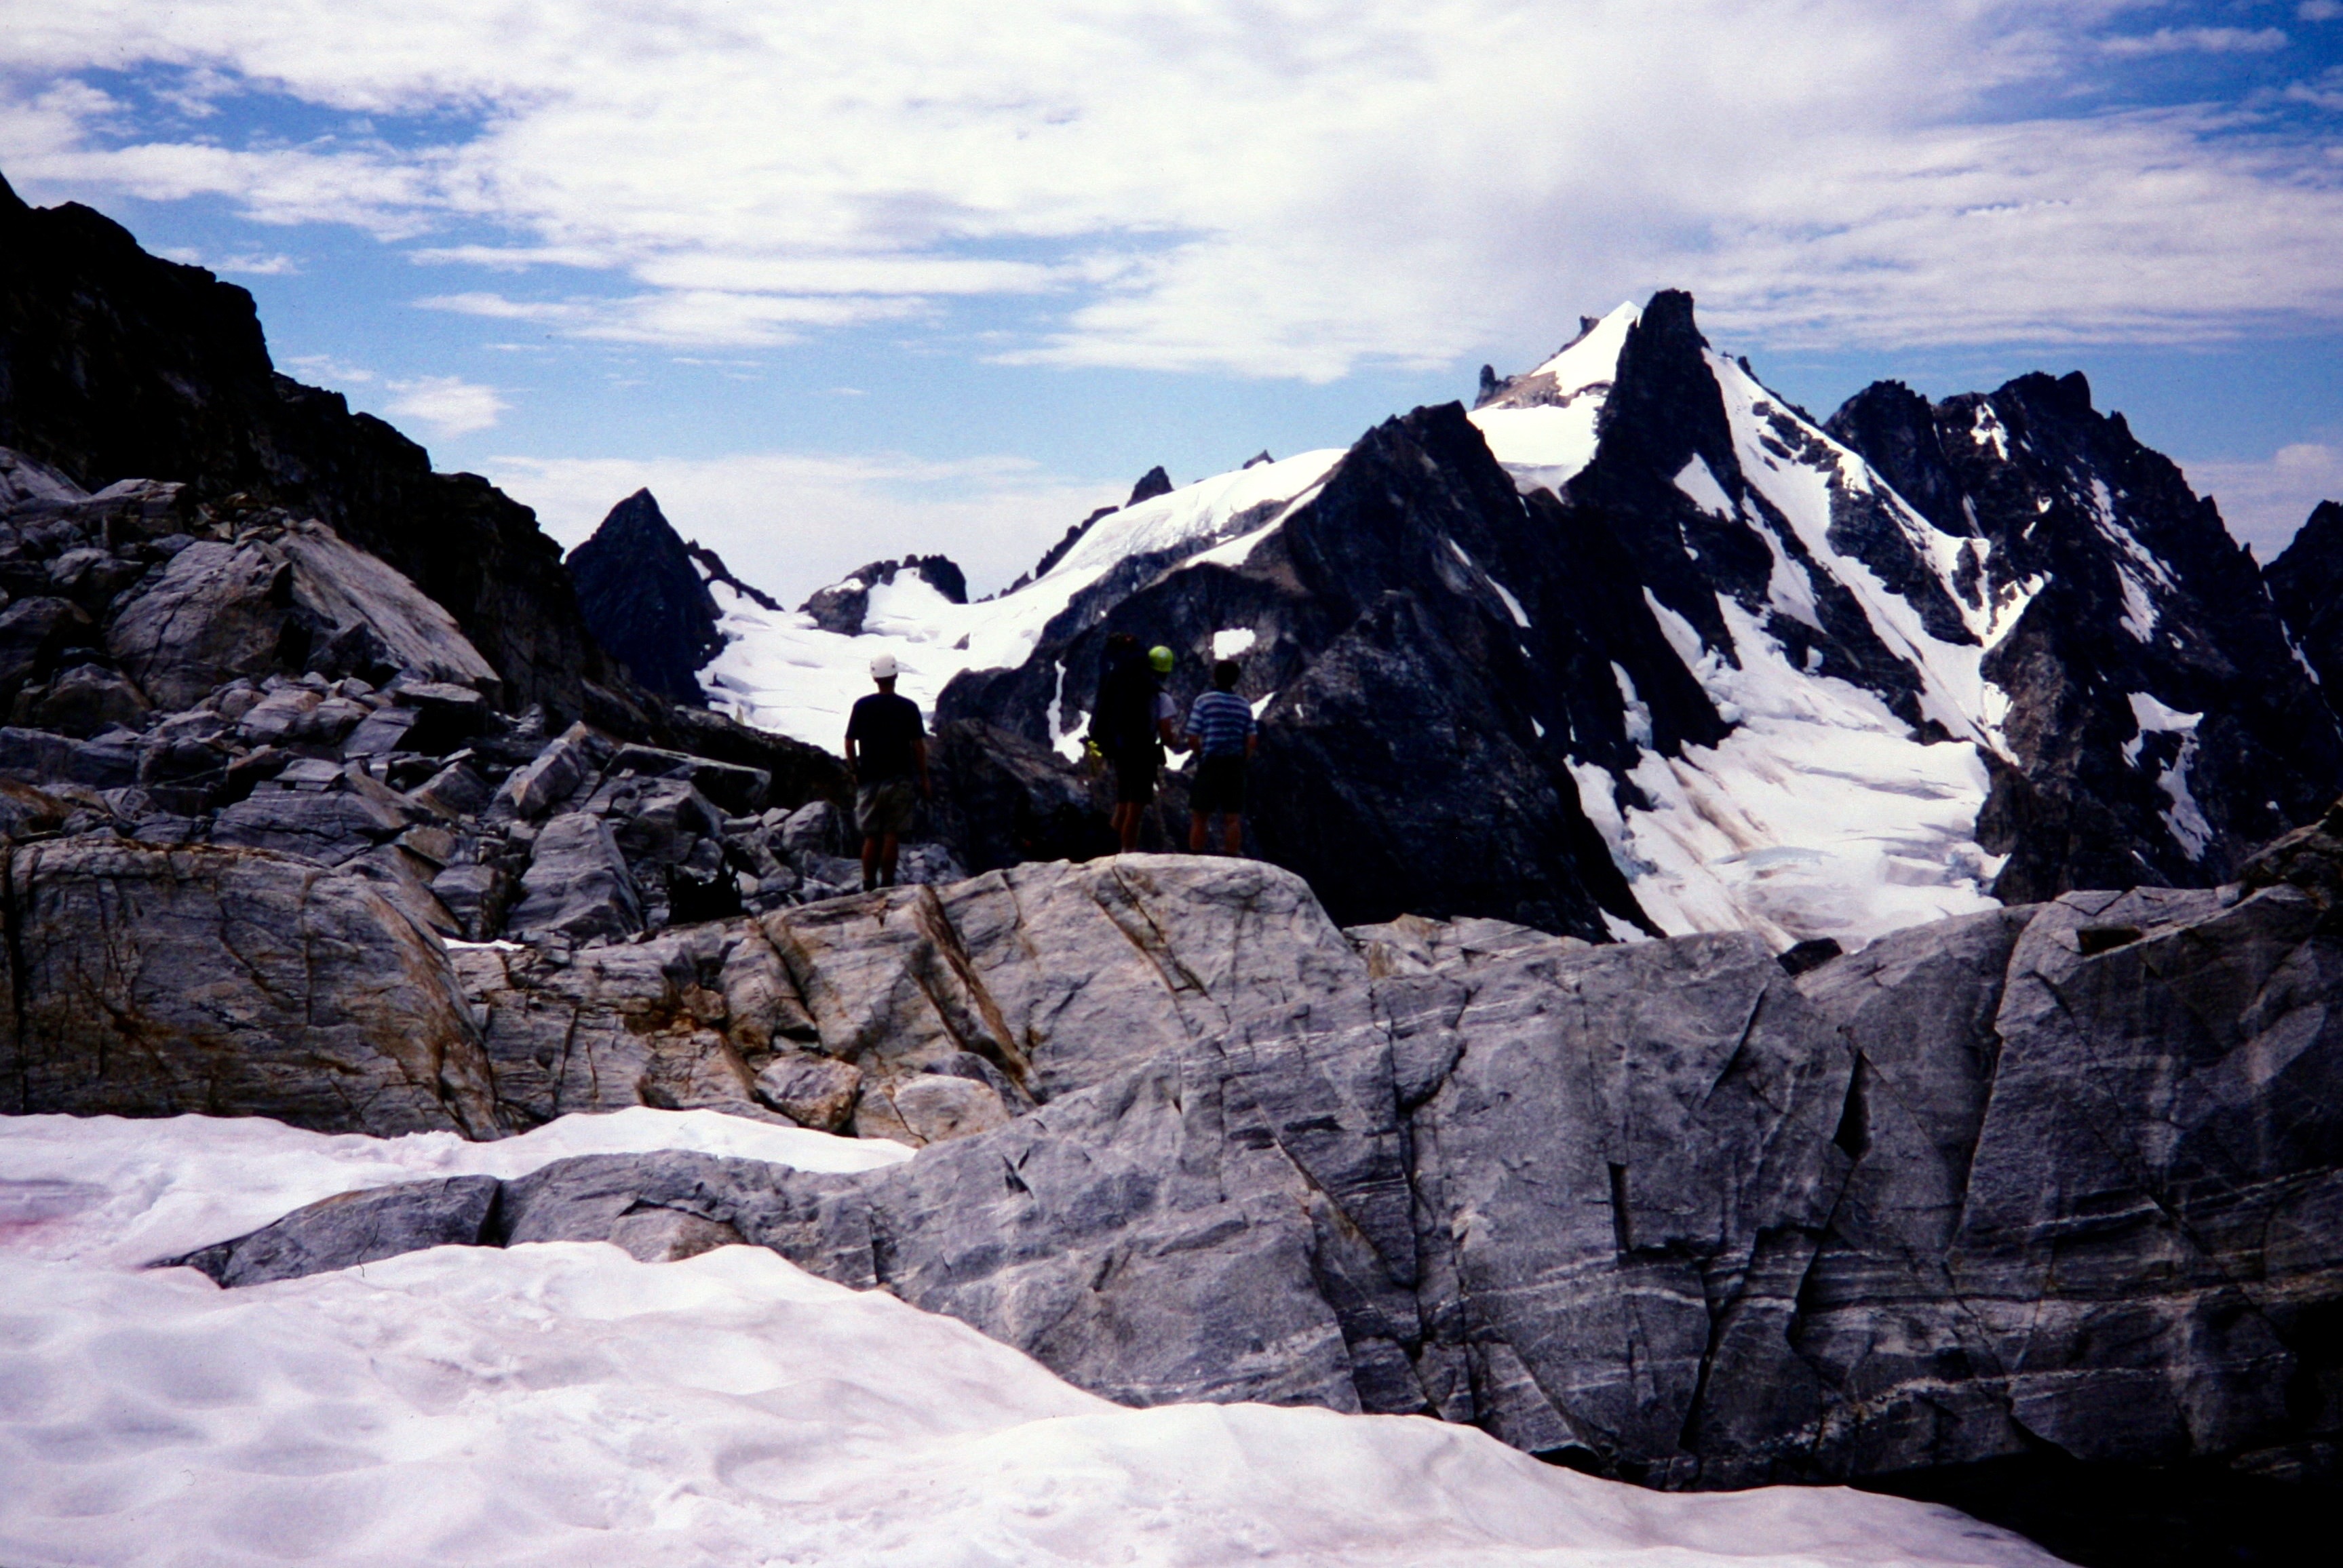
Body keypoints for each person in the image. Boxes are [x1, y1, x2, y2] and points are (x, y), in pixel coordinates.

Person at [844, 652, 929, 891]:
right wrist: (924, 778)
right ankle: (889, 885)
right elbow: (918, 746)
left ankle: (868, 885)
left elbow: (850, 742)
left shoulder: (862, 706)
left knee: (871, 835)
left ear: (874, 678)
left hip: (869, 777)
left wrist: (855, 770)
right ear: (896, 676)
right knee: (892, 833)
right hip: (899, 778)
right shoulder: (908, 708)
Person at [1089, 637, 1182, 852]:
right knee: (1136, 806)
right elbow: (1166, 735)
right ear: (1165, 670)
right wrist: (1175, 741)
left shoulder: (1128, 687)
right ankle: (1127, 853)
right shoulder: (1160, 697)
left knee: (1122, 804)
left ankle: (1109, 851)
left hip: (1121, 749)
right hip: (1143, 753)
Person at [1184, 658, 1257, 855]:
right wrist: (1243, 760)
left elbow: (1192, 736)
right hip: (1235, 764)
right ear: (1236, 679)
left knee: (1200, 814)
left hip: (1211, 762)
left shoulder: (1204, 701)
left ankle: (1196, 855)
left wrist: (1201, 755)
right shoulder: (1244, 705)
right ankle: (1231, 857)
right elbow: (1251, 740)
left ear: (1215, 676)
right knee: (1233, 817)